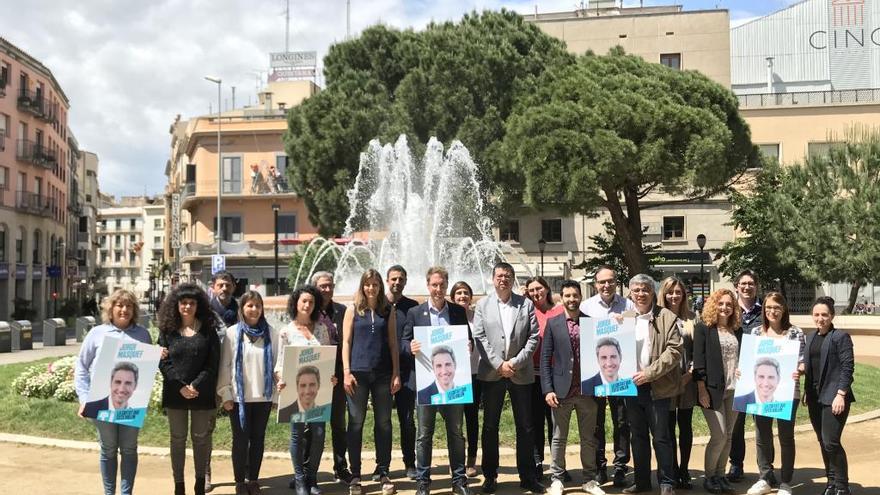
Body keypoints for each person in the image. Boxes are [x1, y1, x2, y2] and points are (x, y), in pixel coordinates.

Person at [473, 262, 545, 494]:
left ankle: (527, 476)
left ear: (513, 279)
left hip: (520, 372)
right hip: (492, 373)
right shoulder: (483, 305)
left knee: (525, 426)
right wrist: (499, 364)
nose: (503, 279)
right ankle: (490, 476)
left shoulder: (525, 304)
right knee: (490, 426)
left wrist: (513, 363)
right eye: (499, 275)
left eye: (508, 275)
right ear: (493, 279)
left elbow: (533, 337)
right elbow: (480, 337)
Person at [401, 266, 472, 495]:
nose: (438, 289)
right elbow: (403, 342)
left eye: (442, 284)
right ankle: (423, 482)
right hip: (425, 384)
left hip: (454, 385)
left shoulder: (457, 312)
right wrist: (409, 346)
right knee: (424, 435)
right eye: (434, 285)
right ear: (428, 285)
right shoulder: (415, 312)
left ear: (446, 285)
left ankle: (459, 480)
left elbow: (467, 339)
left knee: (456, 433)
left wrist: (468, 345)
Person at [74, 289, 152, 495]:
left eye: (129, 306)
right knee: (108, 450)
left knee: (129, 449)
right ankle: (109, 493)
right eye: (120, 305)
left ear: (134, 310)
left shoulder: (143, 334)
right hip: (101, 403)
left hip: (132, 404)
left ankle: (126, 493)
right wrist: (84, 398)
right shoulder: (97, 333)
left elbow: (145, 369)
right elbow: (81, 366)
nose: (124, 310)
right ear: (111, 309)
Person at [619, 274, 683, 495]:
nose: (640, 294)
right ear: (630, 293)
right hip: (630, 388)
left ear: (653, 292)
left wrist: (649, 373)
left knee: (662, 437)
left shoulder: (667, 317)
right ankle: (642, 482)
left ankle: (667, 482)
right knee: (637, 437)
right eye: (636, 290)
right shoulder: (623, 318)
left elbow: (674, 351)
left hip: (658, 386)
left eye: (645, 289)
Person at [157, 283, 222, 495]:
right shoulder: (167, 331)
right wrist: (180, 386)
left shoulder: (208, 331)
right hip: (175, 393)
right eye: (183, 303)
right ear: (176, 305)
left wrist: (195, 385)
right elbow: (162, 361)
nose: (187, 307)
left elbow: (212, 364)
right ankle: (179, 485)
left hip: (201, 393)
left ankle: (199, 482)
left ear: (198, 305)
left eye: (191, 303)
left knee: (201, 438)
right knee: (177, 438)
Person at [541, 280, 604, 495]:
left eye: (575, 295)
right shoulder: (554, 323)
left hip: (587, 391)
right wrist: (548, 389)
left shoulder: (591, 322)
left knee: (589, 438)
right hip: (561, 391)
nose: (571, 299)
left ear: (580, 297)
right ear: (561, 297)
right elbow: (545, 358)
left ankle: (589, 479)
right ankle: (557, 479)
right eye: (567, 295)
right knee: (559, 437)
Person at [342, 270, 402, 495]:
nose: (371, 288)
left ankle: (383, 471)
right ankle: (355, 474)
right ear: (362, 286)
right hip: (357, 374)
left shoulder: (388, 310)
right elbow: (346, 342)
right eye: (368, 284)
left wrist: (396, 372)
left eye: (375, 284)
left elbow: (394, 344)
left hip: (383, 374)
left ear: (380, 287)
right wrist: (346, 372)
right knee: (356, 423)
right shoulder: (352, 310)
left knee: (384, 423)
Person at [216, 290, 280, 495]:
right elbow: (225, 365)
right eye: (249, 305)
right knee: (241, 440)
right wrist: (225, 394)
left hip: (263, 397)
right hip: (238, 398)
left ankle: (253, 479)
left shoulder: (272, 333)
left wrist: (276, 397)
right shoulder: (232, 333)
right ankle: (239, 481)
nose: (254, 309)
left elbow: (278, 366)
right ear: (242, 308)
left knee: (258, 439)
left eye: (258, 306)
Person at [743, 293, 804, 495]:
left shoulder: (795, 333)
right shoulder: (755, 333)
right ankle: (766, 477)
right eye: (768, 307)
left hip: (788, 393)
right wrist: (741, 371)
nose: (772, 311)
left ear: (784, 309)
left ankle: (786, 481)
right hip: (761, 393)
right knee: (762, 436)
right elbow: (748, 361)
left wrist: (800, 369)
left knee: (786, 437)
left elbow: (803, 361)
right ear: (764, 309)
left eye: (777, 307)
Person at [277, 285, 334, 495]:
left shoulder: (321, 329)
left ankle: (312, 478)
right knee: (297, 435)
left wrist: (331, 378)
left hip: (319, 393)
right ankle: (299, 479)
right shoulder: (286, 331)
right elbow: (280, 364)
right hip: (295, 390)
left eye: (311, 302)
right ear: (296, 303)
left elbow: (326, 356)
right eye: (303, 301)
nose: (307, 305)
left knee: (319, 433)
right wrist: (280, 379)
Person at [580, 265, 634, 486]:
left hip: (621, 376)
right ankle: (600, 465)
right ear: (596, 285)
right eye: (602, 282)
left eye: (610, 281)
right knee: (597, 423)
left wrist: (626, 319)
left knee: (622, 422)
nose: (606, 285)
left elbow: (635, 328)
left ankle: (620, 466)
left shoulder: (627, 304)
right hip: (596, 375)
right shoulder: (586, 306)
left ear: (615, 282)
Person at [693, 289, 743, 495]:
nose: (725, 308)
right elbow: (698, 361)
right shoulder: (704, 328)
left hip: (735, 388)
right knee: (719, 434)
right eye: (721, 303)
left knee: (729, 435)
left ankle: (721, 475)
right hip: (712, 390)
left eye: (729, 305)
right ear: (714, 304)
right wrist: (702, 389)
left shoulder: (737, 330)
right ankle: (710, 476)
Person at [803, 297, 855, 495]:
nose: (820, 318)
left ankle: (842, 485)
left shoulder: (840, 337)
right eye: (816, 314)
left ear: (832, 316)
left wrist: (841, 394)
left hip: (834, 397)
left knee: (831, 441)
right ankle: (831, 481)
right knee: (822, 441)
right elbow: (810, 367)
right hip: (815, 397)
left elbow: (847, 368)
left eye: (824, 314)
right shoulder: (810, 337)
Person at [311, 271, 353, 484]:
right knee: (311, 424)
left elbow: (347, 341)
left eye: (330, 285)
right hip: (313, 374)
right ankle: (307, 471)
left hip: (336, 373)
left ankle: (341, 467)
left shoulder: (342, 311)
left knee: (338, 423)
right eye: (323, 286)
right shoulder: (308, 308)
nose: (327, 289)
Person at [658, 276, 698, 490]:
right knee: (667, 428)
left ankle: (684, 470)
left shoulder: (693, 318)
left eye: (678, 292)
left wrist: (690, 373)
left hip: (687, 380)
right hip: (665, 380)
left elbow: (697, 351)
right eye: (670, 292)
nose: (674, 296)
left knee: (685, 426)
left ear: (684, 295)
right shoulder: (657, 317)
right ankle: (671, 469)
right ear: (663, 295)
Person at [525, 276, 562, 481]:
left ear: (547, 289)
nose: (536, 293)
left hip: (556, 374)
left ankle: (557, 465)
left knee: (556, 423)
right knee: (536, 422)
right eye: (531, 290)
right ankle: (538, 464)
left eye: (539, 288)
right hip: (533, 375)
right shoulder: (527, 311)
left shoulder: (559, 310)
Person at [728, 270, 763, 483]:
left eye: (751, 283)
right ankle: (736, 464)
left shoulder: (765, 310)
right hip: (738, 376)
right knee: (736, 424)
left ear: (756, 286)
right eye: (743, 283)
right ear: (737, 286)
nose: (747, 287)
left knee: (762, 424)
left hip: (762, 375)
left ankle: (765, 469)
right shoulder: (730, 311)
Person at [386, 264, 419, 480]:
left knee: (407, 420)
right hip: (381, 371)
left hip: (408, 372)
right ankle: (383, 466)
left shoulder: (413, 308)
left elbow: (418, 340)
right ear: (387, 280)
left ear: (405, 281)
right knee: (382, 421)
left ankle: (410, 463)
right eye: (393, 279)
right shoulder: (378, 305)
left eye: (401, 279)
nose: (397, 282)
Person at [206, 270, 238, 492]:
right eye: (220, 285)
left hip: (236, 376)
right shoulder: (205, 311)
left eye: (228, 285)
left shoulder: (243, 308)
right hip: (210, 375)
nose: (224, 288)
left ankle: (243, 473)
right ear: (213, 287)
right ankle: (205, 472)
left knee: (241, 426)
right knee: (207, 426)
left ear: (234, 287)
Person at [451, 280, 481, 478]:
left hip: (475, 373)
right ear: (452, 298)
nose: (462, 296)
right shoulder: (450, 317)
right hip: (455, 377)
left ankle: (471, 458)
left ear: (471, 297)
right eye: (458, 293)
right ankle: (456, 459)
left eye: (465, 293)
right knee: (455, 422)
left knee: (471, 418)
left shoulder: (477, 317)